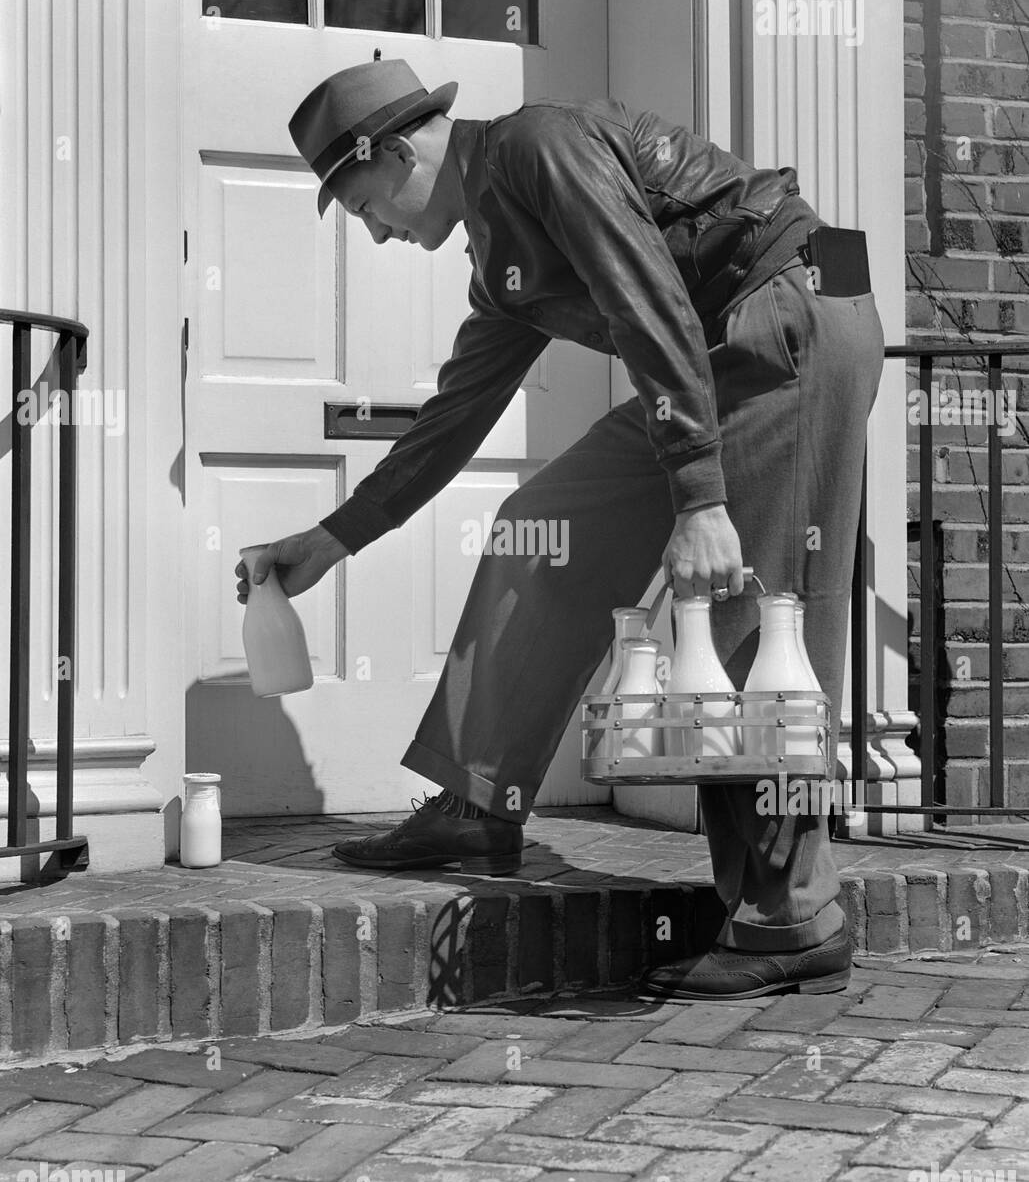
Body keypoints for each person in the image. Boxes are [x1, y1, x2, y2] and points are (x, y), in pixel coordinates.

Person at [235, 57, 885, 1001]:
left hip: (788, 320)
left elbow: (645, 297)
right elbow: (450, 423)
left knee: (754, 619)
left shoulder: (539, 148)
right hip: (707, 355)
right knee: (539, 527)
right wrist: (330, 541)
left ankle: (790, 915)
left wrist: (700, 501)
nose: (370, 231)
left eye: (360, 198)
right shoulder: (501, 263)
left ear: (401, 147)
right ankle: (477, 799)